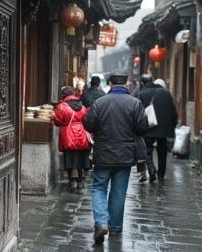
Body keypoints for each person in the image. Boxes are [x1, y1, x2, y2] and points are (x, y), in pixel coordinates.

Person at [83, 70, 148, 244]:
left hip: (103, 153)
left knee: (99, 187)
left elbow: (88, 124)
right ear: (126, 83)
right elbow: (142, 129)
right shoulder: (135, 103)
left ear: (110, 83)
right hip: (125, 155)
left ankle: (101, 222)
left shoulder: (100, 102)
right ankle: (115, 228)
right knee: (119, 192)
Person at [137, 76, 178, 182]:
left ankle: (151, 169)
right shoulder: (166, 93)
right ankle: (161, 174)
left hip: (148, 127)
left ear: (143, 84)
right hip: (163, 129)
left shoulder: (142, 94)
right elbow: (173, 112)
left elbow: (139, 113)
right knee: (162, 150)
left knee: (147, 150)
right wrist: (172, 126)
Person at [53, 86, 91, 192]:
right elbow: (86, 119)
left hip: (68, 133)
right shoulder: (82, 107)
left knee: (69, 157)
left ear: (64, 95)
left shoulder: (61, 107)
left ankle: (71, 181)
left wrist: (54, 116)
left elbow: (57, 121)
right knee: (79, 156)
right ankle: (79, 181)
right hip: (80, 133)